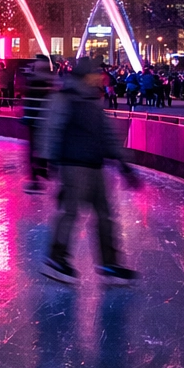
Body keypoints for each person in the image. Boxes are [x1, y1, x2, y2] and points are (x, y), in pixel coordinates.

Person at [39, 57, 142, 285]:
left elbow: (107, 134)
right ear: (84, 77)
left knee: (105, 214)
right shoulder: (64, 98)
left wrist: (124, 163)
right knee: (71, 212)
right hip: (73, 164)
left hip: (95, 165)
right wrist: (49, 162)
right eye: (94, 74)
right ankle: (56, 257)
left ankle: (109, 262)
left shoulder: (93, 100)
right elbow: (51, 129)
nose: (98, 77)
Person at [18, 57, 54, 193]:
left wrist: (26, 116)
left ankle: (36, 175)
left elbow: (29, 102)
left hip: (34, 121)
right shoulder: (47, 83)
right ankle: (40, 171)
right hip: (43, 121)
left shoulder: (33, 83)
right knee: (41, 147)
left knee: (34, 148)